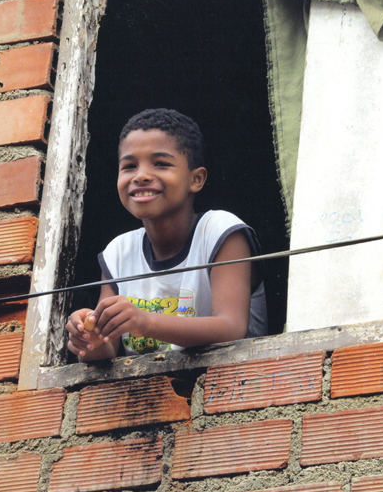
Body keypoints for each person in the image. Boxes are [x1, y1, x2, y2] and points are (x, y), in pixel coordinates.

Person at [66, 108, 267, 359]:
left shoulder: (219, 232)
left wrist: (146, 323)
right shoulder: (118, 252)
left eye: (161, 164)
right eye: (129, 166)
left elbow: (232, 327)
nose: (141, 176)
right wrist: (89, 339)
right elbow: (108, 349)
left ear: (196, 179)